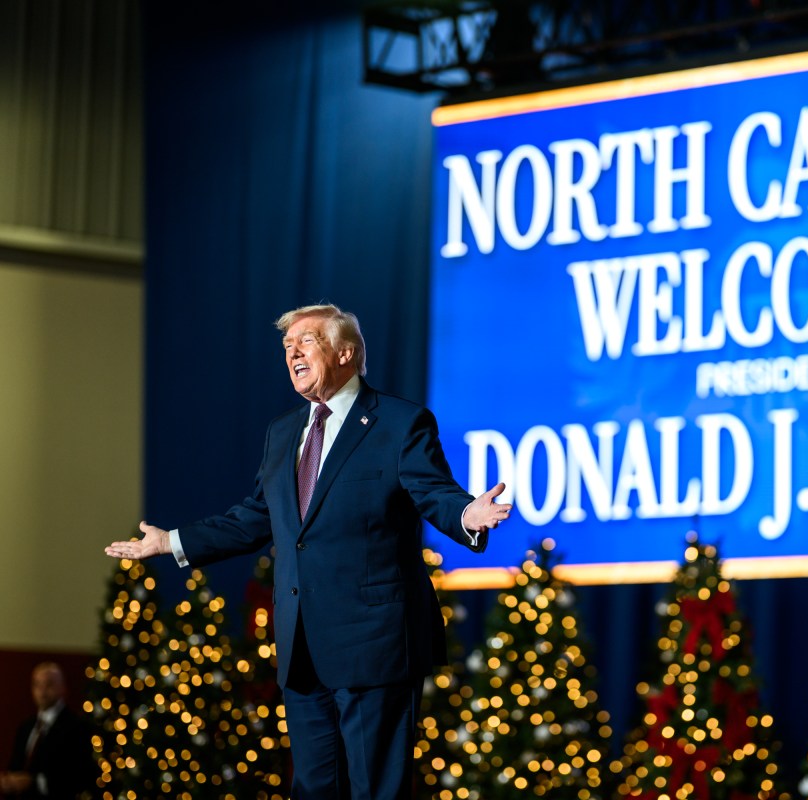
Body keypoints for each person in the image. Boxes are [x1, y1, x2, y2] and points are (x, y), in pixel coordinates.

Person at [104, 303, 512, 799]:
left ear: (345, 352)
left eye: (307, 341)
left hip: (374, 646)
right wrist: (172, 542)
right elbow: (258, 516)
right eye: (287, 347)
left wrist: (468, 514)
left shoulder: (399, 423)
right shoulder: (283, 432)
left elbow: (433, 492)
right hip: (301, 648)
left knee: (376, 790)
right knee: (313, 789)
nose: (292, 353)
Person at [0, 662, 96, 799]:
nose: (42, 691)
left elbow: (78, 776)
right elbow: (15, 766)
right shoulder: (26, 726)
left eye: (49, 684)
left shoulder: (77, 727)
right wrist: (8, 781)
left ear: (62, 687)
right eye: (37, 685)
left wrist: (34, 782)